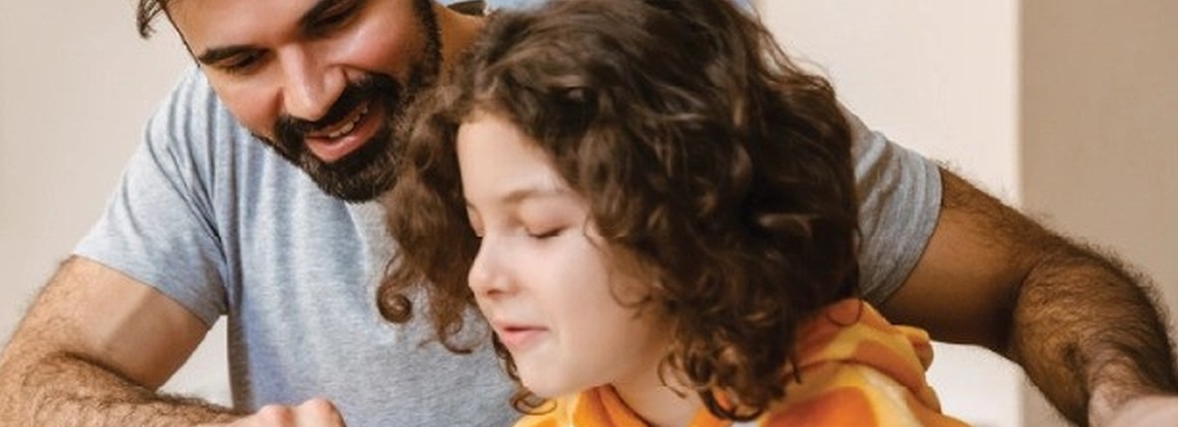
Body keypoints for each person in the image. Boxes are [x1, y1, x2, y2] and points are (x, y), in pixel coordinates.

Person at [0, 0, 1178, 425]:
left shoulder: (633, 95)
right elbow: (25, 390)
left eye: (334, 14)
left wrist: (1126, 402)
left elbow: (1033, 279)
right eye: (238, 59)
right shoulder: (209, 141)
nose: (310, 93)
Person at [377, 0, 965, 424]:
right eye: (478, 233)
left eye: (538, 228)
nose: (482, 277)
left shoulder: (854, 414)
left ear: (686, 217)